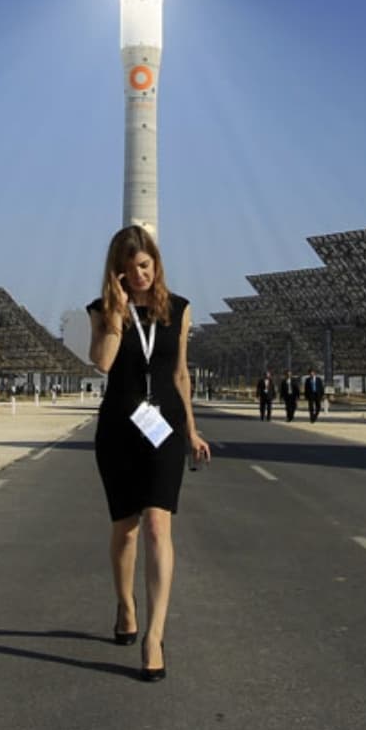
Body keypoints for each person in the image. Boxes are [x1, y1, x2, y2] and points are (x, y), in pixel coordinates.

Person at [87, 224, 211, 683]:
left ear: (155, 263)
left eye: (145, 265)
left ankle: (154, 636)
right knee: (127, 531)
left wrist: (193, 432)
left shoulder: (178, 309)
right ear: (116, 273)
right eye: (129, 269)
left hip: (165, 431)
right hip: (119, 429)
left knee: (159, 524)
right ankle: (125, 606)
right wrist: (116, 314)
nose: (139, 274)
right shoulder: (102, 310)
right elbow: (102, 362)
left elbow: (180, 374)